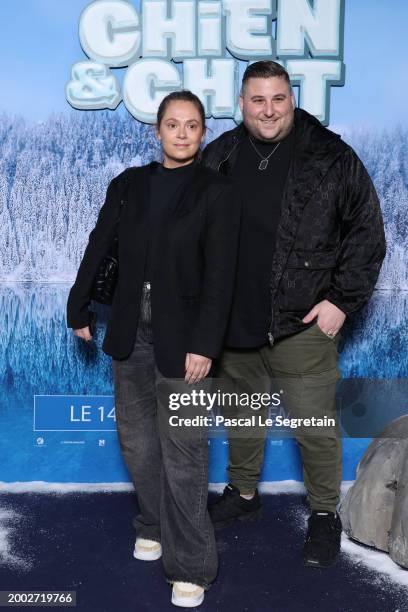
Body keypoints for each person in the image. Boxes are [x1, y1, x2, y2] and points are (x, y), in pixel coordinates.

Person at [201, 61, 386, 568]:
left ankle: (325, 515)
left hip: (301, 322)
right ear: (241, 104)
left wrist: (342, 302)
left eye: (278, 98)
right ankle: (243, 494)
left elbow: (367, 233)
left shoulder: (331, 156)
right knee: (241, 416)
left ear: (292, 98)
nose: (268, 109)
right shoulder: (219, 155)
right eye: (257, 100)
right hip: (234, 323)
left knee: (314, 424)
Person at [66, 90, 240, 607]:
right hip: (128, 333)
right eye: (172, 124)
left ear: (203, 133)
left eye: (192, 126)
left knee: (184, 454)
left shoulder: (218, 193)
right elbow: (100, 245)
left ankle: (191, 566)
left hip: (187, 340)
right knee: (139, 444)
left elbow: (221, 277)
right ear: (157, 131)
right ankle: (153, 522)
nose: (182, 134)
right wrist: (79, 306)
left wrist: (205, 344)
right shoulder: (129, 185)